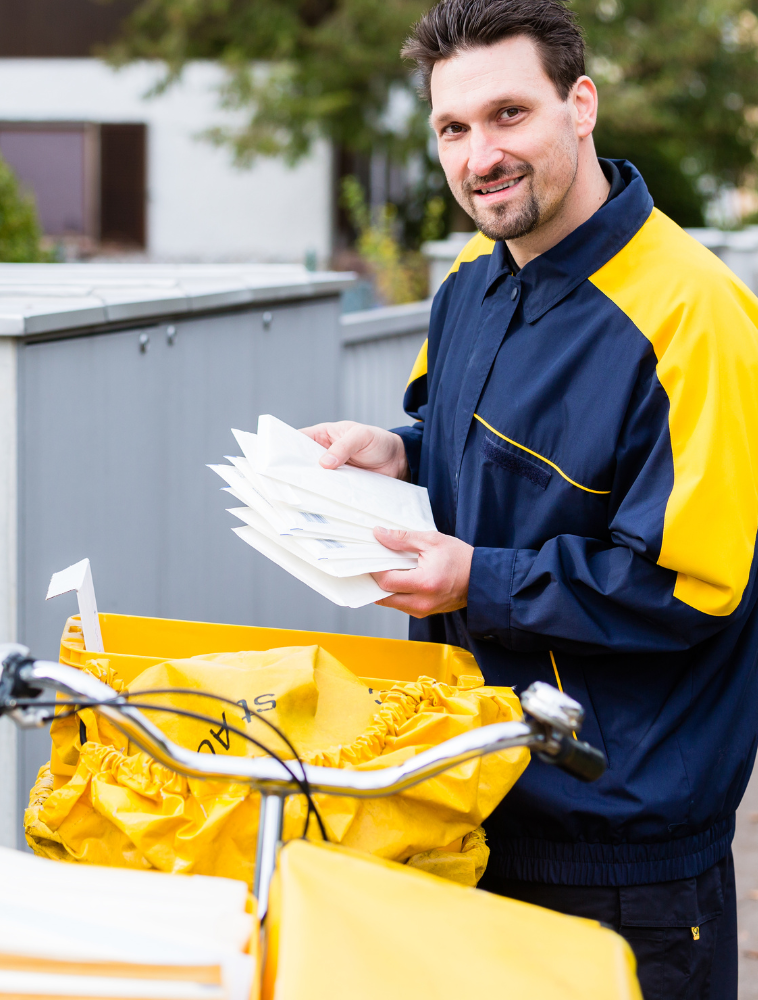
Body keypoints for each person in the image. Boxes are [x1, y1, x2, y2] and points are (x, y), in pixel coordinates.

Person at [303, 1, 758, 996]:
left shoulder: (697, 317)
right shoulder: (470, 281)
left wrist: (475, 576)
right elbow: (480, 465)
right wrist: (397, 452)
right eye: (453, 129)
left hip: (622, 853)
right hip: (470, 802)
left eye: (509, 114)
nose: (480, 156)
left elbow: (692, 588)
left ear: (580, 105)